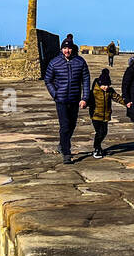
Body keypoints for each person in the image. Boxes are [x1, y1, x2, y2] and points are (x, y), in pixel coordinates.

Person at [44, 34, 90, 163]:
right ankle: (66, 152)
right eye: (64, 48)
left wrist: (85, 97)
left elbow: (85, 80)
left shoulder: (80, 62)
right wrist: (55, 94)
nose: (67, 51)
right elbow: (48, 80)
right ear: (61, 49)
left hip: (75, 99)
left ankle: (61, 144)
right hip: (61, 99)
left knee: (72, 125)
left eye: (69, 48)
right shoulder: (54, 62)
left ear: (72, 49)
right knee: (64, 126)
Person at [87, 68, 124, 158]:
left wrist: (126, 103)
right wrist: (84, 103)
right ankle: (97, 148)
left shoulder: (110, 91)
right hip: (95, 115)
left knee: (104, 132)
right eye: (104, 85)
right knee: (99, 132)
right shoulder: (94, 91)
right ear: (99, 84)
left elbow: (117, 97)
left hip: (106, 115)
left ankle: (98, 146)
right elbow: (87, 100)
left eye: (107, 85)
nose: (105, 87)